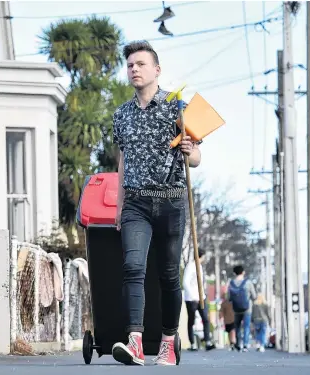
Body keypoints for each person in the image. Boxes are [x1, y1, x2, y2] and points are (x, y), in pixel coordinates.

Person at [111, 40, 202, 366]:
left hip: (171, 201)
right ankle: (135, 341)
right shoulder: (121, 115)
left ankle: (167, 342)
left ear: (157, 70)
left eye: (141, 64)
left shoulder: (178, 108)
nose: (134, 69)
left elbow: (196, 160)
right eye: (130, 65)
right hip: (136, 203)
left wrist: (189, 149)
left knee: (168, 275)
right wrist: (120, 206)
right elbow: (123, 162)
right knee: (133, 267)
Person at [183, 248, 215, 351]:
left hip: (201, 297)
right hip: (191, 299)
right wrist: (193, 296)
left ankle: (207, 341)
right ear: (202, 256)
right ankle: (193, 343)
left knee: (205, 319)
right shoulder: (190, 266)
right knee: (191, 320)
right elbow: (186, 283)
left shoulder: (200, 267)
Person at [228, 265, 257, 352]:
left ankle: (238, 344)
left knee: (237, 327)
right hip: (247, 309)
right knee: (246, 327)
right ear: (243, 272)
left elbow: (229, 298)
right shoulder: (248, 283)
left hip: (236, 309)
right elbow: (254, 296)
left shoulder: (231, 283)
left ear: (234, 273)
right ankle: (245, 345)